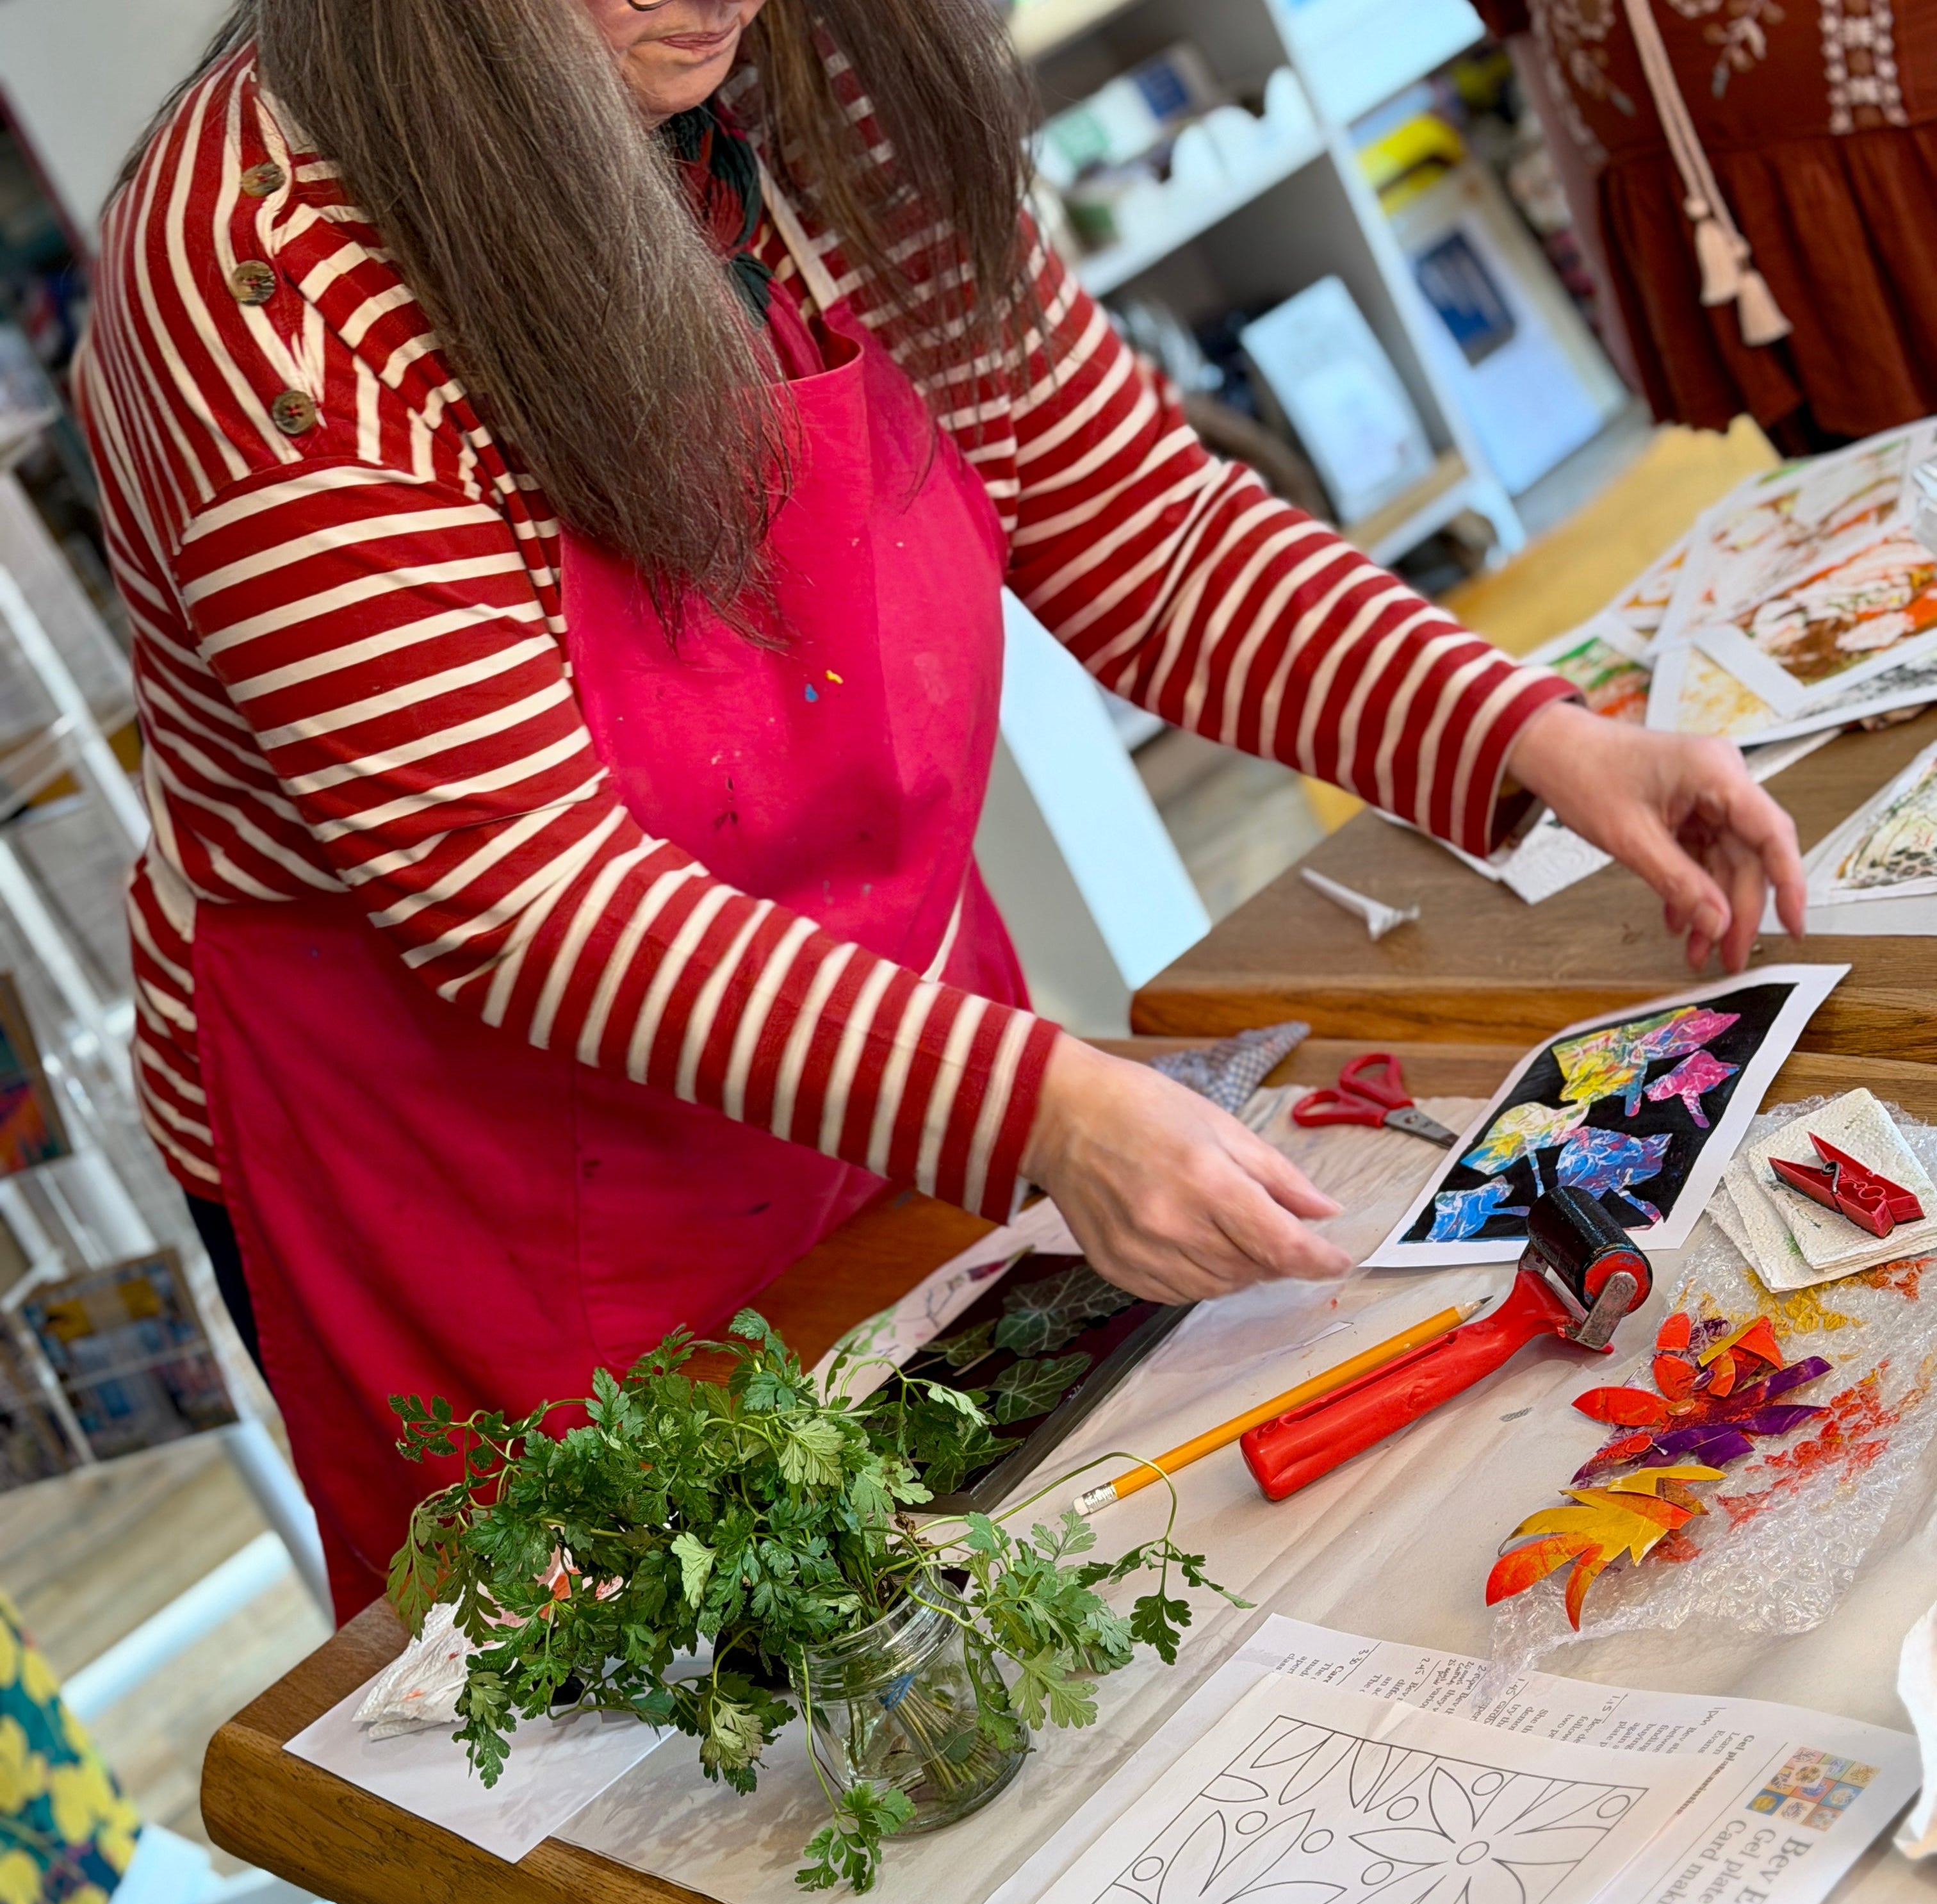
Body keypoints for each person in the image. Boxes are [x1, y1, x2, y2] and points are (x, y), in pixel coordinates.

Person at [77, 0, 1806, 1619]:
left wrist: (1524, 735)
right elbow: (521, 896)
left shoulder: (798, 73)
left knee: (985, 1586)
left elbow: (1131, 516)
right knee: (681, 1725)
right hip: (481, 1181)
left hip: (862, 1050)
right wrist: (1039, 1111)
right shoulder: (261, 280)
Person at [1478, 0, 1937, 452]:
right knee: (1855, 490)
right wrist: (1604, 267)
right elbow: (1524, 30)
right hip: (1707, 221)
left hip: (1897, 172)